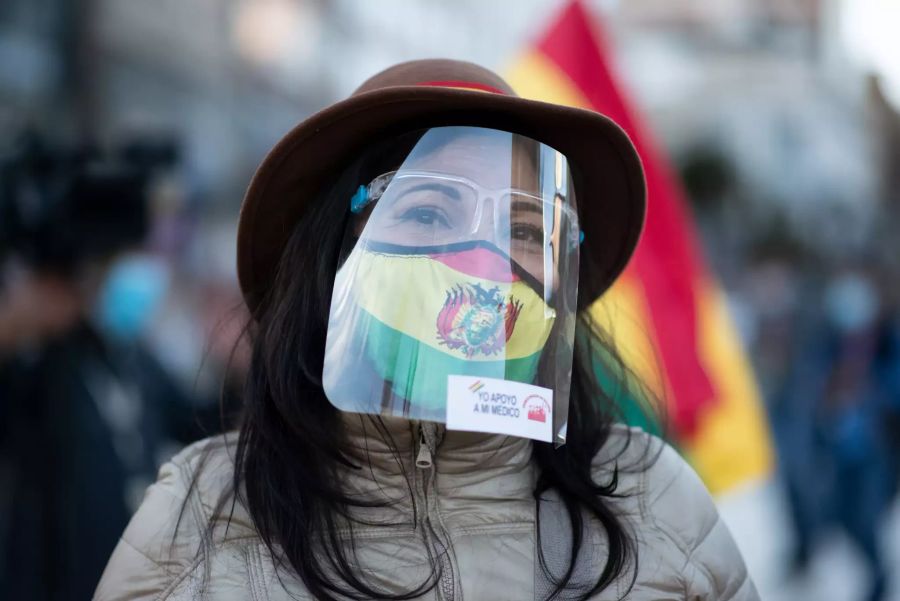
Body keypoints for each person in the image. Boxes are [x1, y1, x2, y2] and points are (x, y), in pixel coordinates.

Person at [95, 60, 758, 600]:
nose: (478, 260)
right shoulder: (197, 521)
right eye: (429, 211)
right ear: (336, 252)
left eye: (525, 230)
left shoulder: (652, 500)